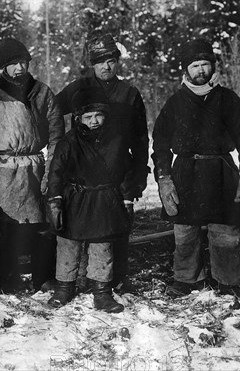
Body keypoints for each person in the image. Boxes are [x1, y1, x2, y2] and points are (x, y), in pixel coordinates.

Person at [152, 38, 240, 299]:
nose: (201, 71)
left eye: (205, 64)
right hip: (186, 170)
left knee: (226, 229)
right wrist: (164, 178)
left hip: (221, 170)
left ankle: (228, 280)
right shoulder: (175, 102)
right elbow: (159, 142)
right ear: (186, 70)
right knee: (185, 231)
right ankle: (185, 279)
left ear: (213, 66)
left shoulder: (227, 99)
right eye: (195, 65)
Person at [56, 33, 149, 292]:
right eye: (100, 62)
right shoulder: (79, 88)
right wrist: (56, 142)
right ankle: (83, 279)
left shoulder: (129, 93)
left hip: (119, 170)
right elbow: (52, 110)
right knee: (79, 226)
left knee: (117, 226)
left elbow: (141, 139)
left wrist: (139, 174)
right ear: (92, 64)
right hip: (83, 169)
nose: (105, 67)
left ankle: (116, 278)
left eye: (110, 60)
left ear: (117, 62)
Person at [0, 38, 64, 292]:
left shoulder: (43, 93)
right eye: (12, 64)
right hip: (2, 170)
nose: (19, 68)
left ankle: (43, 277)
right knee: (7, 226)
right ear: (3, 68)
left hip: (34, 166)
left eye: (22, 62)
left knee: (40, 226)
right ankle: (8, 277)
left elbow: (56, 134)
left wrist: (51, 170)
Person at [46, 87, 134, 313]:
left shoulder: (117, 140)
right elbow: (56, 171)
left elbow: (126, 172)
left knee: (101, 246)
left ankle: (102, 293)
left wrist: (127, 200)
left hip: (105, 199)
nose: (94, 121)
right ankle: (64, 288)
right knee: (68, 244)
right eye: (88, 117)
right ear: (78, 118)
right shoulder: (69, 141)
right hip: (75, 198)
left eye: (98, 115)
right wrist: (55, 201)